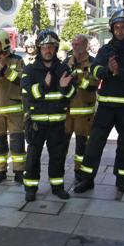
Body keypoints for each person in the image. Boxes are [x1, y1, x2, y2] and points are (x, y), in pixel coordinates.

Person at [74, 9, 124, 194]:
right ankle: (87, 179)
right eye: (116, 27)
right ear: (112, 29)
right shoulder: (105, 50)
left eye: (123, 27)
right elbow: (95, 71)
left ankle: (121, 179)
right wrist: (107, 70)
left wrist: (119, 72)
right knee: (94, 144)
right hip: (106, 107)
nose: (119, 31)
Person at [21, 30, 75, 202]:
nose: (48, 50)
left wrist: (64, 87)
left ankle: (57, 187)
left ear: (56, 47)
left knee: (58, 157)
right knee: (32, 158)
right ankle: (30, 188)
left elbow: (72, 94)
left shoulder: (63, 68)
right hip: (36, 123)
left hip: (57, 123)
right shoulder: (30, 70)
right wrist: (44, 85)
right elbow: (28, 93)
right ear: (39, 48)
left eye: (51, 46)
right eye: (44, 46)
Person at [0, 28, 26, 184]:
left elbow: (21, 80)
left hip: (14, 108)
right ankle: (0, 171)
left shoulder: (17, 60)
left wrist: (5, 69)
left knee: (17, 142)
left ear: (5, 43)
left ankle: (19, 172)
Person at [63, 35, 98, 177]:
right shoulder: (66, 62)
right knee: (61, 144)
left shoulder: (92, 63)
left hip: (84, 113)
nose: (75, 46)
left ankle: (80, 173)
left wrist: (78, 79)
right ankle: (58, 170)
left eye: (78, 44)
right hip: (67, 112)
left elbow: (93, 85)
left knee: (82, 146)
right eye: (73, 43)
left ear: (86, 45)